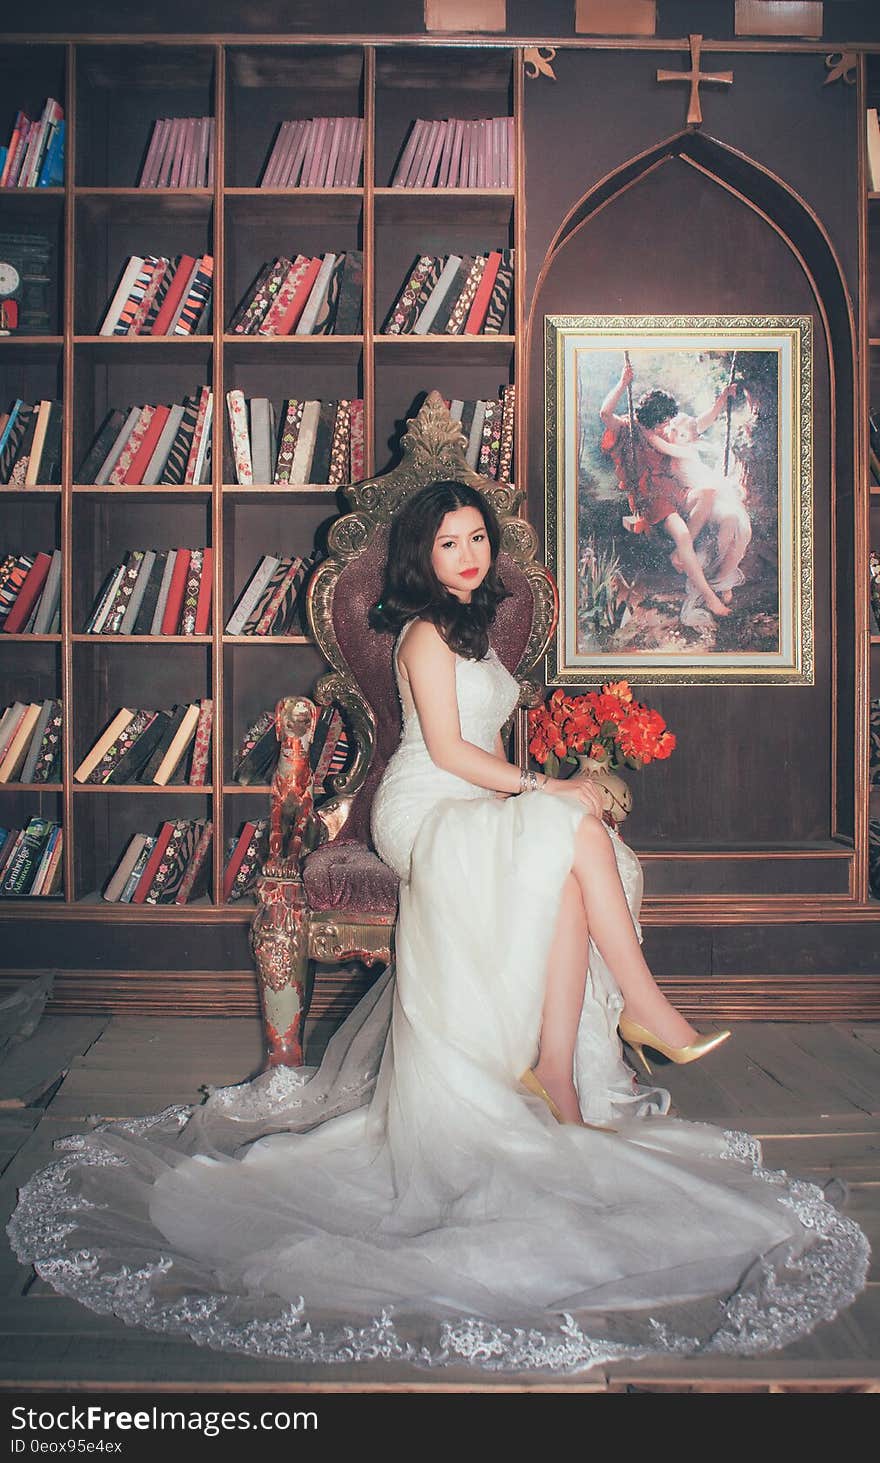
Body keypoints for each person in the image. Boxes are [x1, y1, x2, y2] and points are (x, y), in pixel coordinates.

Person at [7, 480, 868, 1374]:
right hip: (424, 806)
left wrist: (562, 778)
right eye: (450, 543)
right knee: (569, 824)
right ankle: (642, 1003)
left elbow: (497, 750)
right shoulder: (421, 633)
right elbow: (452, 753)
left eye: (477, 539)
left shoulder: (479, 632)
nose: (468, 554)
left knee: (573, 865)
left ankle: (555, 1069)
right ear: (422, 556)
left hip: (480, 795)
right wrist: (549, 789)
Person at [600, 362, 738, 619]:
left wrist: (721, 400)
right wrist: (622, 384)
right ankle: (709, 598)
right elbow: (605, 414)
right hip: (652, 498)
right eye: (662, 423)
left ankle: (679, 553)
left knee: (707, 492)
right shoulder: (629, 427)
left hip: (674, 490)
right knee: (683, 534)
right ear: (651, 419)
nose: (667, 427)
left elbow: (700, 423)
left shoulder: (666, 429)